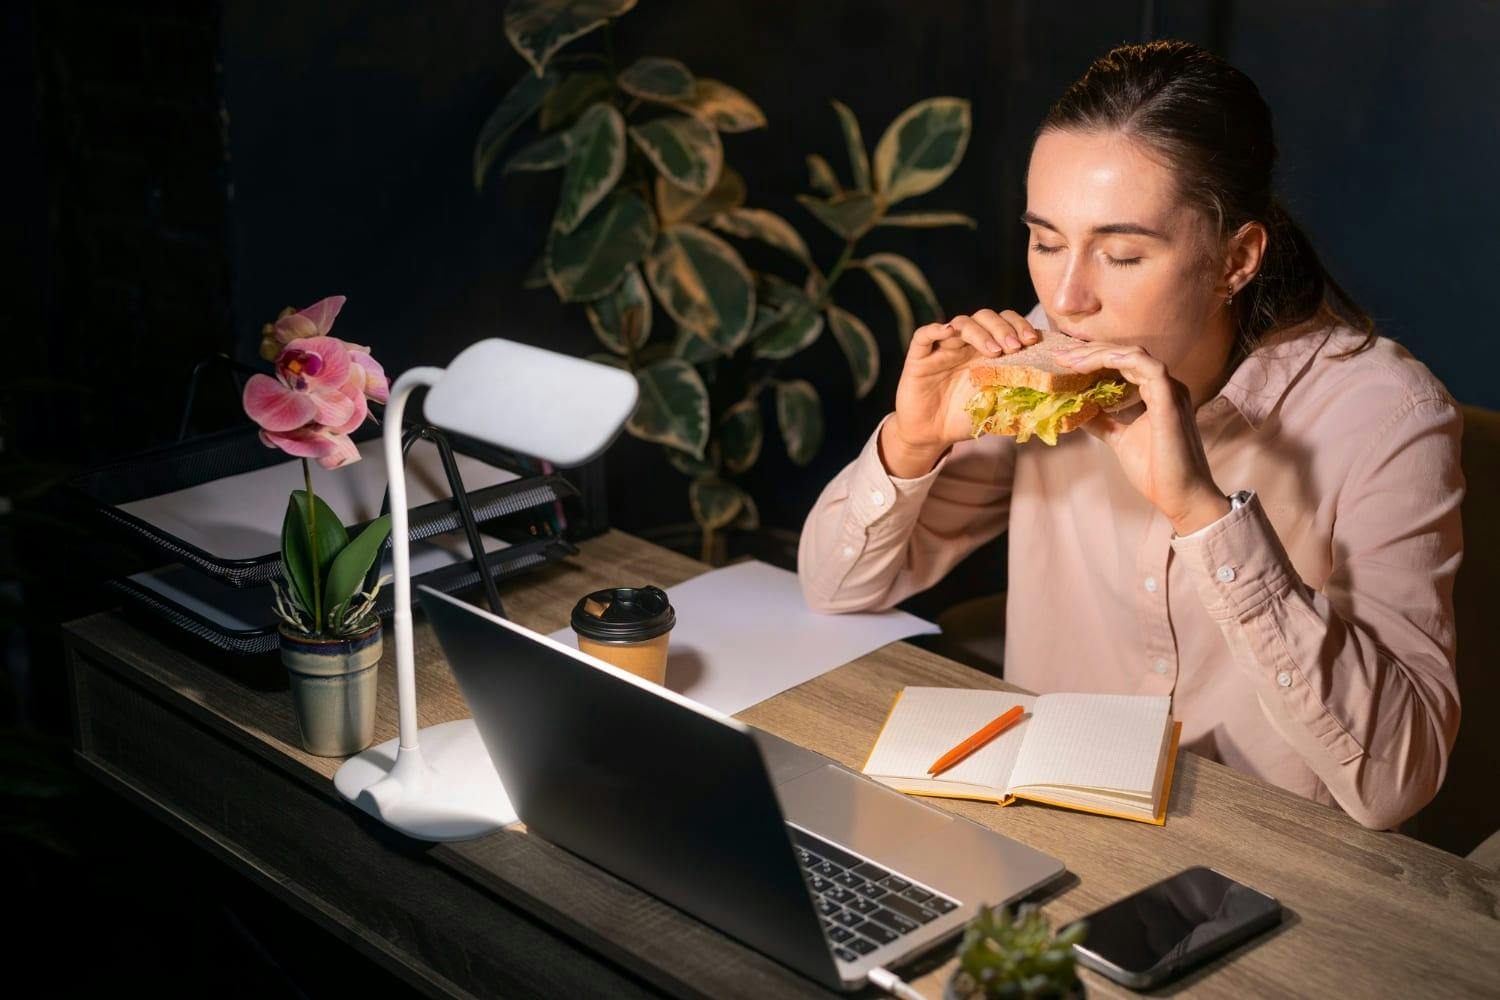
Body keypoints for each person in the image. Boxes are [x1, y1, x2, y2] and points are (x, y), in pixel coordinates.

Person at [797, 40, 1464, 831]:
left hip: (1274, 861)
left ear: (1236, 259)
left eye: (1120, 253)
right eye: (1046, 242)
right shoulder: (1047, 348)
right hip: (1046, 819)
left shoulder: (1386, 415)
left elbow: (1399, 782)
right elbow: (837, 589)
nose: (1069, 297)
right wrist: (912, 444)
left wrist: (1206, 518)